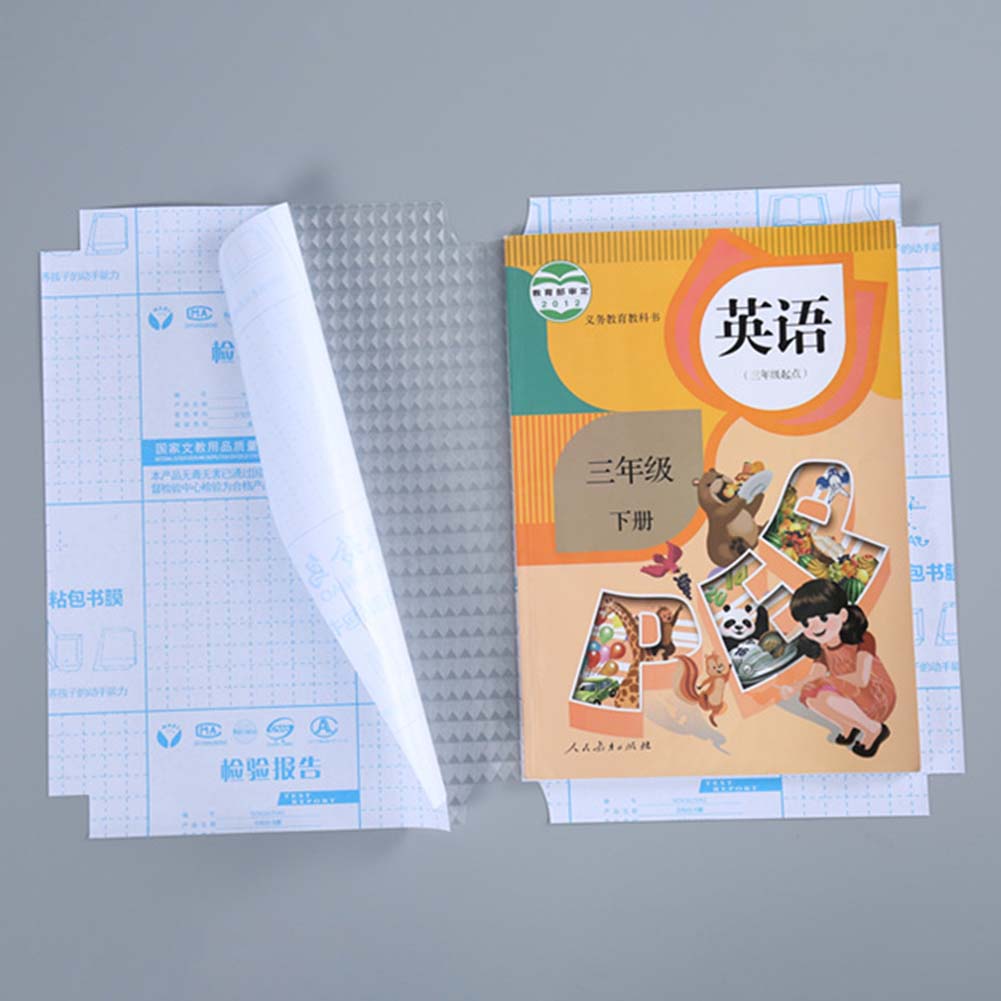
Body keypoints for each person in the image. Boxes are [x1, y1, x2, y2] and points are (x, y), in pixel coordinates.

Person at [788, 579, 895, 757]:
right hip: (847, 694)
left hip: (874, 695)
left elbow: (861, 679)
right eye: (806, 623)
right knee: (810, 696)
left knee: (825, 695)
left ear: (843, 615)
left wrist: (829, 680)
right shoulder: (823, 647)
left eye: (823, 618)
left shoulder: (862, 639)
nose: (815, 627)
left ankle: (873, 729)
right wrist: (794, 686)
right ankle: (848, 724)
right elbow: (814, 676)